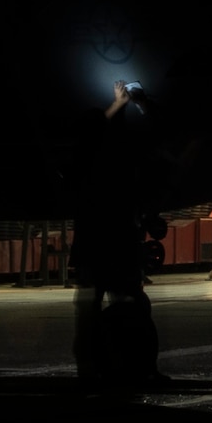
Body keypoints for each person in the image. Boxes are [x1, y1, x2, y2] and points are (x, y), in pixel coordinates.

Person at [71, 80, 159, 383]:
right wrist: (131, 104)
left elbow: (96, 133)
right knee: (133, 303)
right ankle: (140, 367)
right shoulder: (108, 161)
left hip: (95, 247)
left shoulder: (85, 162)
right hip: (113, 245)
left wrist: (118, 106)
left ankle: (91, 371)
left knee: (90, 311)